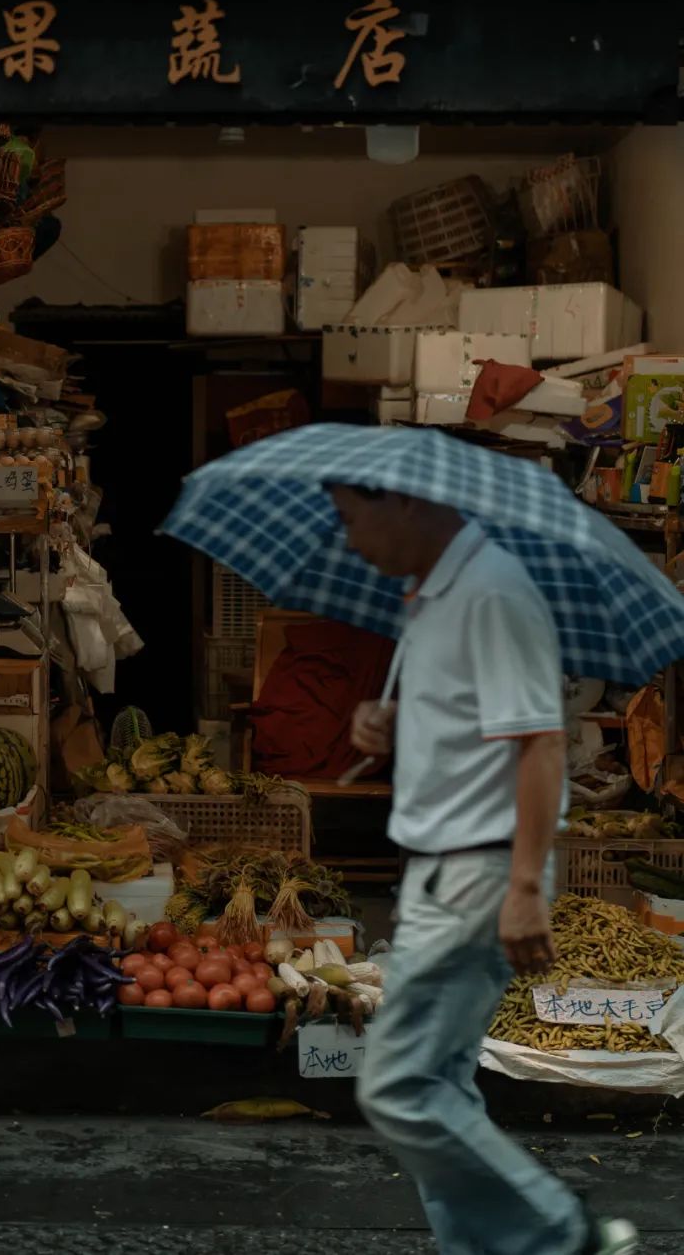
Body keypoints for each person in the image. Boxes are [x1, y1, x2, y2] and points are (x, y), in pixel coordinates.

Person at [331, 483, 638, 1255]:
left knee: (398, 1087)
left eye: (351, 517)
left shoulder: (491, 593)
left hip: (477, 872)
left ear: (402, 505)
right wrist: (391, 725)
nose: (348, 539)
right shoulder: (432, 598)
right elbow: (472, 725)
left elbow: (538, 743)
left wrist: (526, 887)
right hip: (441, 869)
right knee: (441, 1088)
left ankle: (561, 1227)